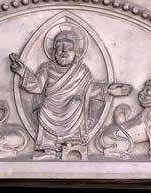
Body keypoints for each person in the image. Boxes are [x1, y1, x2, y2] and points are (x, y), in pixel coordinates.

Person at [9, 27, 124, 160]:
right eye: (59, 48)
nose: (63, 52)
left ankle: (71, 142)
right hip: (51, 105)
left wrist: (108, 90)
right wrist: (22, 71)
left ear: (76, 52)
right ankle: (49, 149)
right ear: (53, 52)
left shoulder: (81, 70)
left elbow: (89, 89)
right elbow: (37, 87)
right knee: (45, 108)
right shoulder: (46, 67)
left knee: (77, 102)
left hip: (72, 107)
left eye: (68, 48)